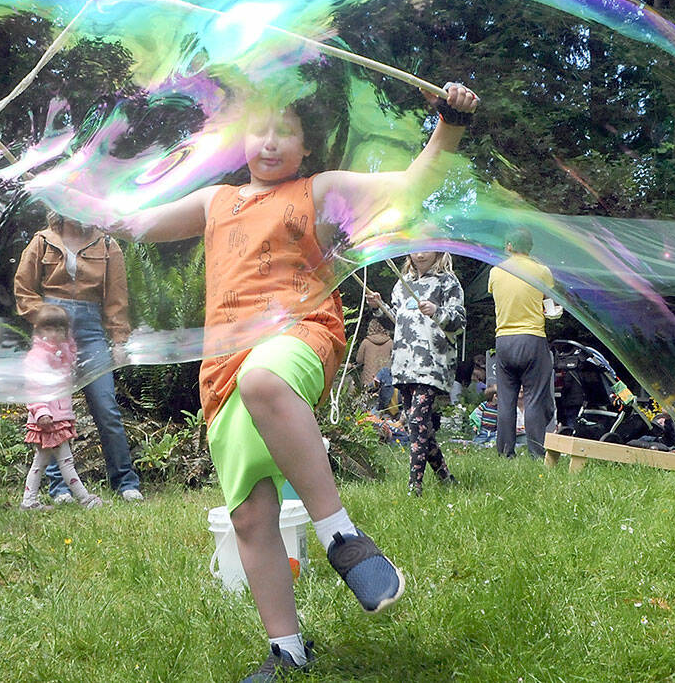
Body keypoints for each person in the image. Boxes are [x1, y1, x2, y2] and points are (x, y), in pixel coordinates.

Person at [53, 80, 479, 680]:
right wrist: (71, 186)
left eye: (286, 129)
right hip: (222, 365)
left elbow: (414, 184)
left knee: (265, 382)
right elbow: (133, 223)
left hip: (300, 335)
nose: (271, 141)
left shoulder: (320, 191)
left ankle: (342, 538)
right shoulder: (214, 201)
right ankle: (288, 650)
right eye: (259, 129)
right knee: (251, 517)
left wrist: (450, 123)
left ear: (308, 144)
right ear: (240, 141)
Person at [14, 214, 144, 502]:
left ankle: (125, 481)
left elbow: (117, 298)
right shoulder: (42, 240)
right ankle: (59, 488)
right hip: (52, 333)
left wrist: (119, 340)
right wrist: (46, 319)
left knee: (105, 405)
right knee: (53, 408)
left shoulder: (107, 243)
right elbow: (23, 290)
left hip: (91, 330)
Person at [366, 251, 465, 496]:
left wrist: (437, 311)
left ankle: (414, 486)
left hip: (431, 363)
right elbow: (398, 320)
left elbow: (459, 321)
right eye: (416, 249)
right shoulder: (403, 283)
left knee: (418, 420)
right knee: (416, 424)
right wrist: (379, 308)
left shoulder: (447, 282)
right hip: (403, 364)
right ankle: (445, 477)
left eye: (426, 249)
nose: (420, 254)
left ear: (439, 250)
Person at [19, 306, 103, 510]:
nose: (55, 334)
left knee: (40, 462)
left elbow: (71, 360)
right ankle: (85, 498)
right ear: (39, 330)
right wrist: (40, 411)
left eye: (60, 329)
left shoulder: (59, 353)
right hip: (48, 419)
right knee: (65, 461)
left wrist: (69, 341)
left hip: (57, 417)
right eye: (50, 329)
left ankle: (29, 502)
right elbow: (33, 388)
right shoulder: (38, 356)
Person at [488, 227, 555, 458]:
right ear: (530, 247)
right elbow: (549, 303)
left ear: (508, 246)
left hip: (504, 340)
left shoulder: (496, 271)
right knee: (534, 398)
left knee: (506, 400)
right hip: (532, 339)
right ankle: (537, 453)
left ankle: (505, 453)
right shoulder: (542, 271)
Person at [354, 317, 394, 412]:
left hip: (369, 381)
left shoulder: (366, 342)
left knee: (368, 407)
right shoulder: (390, 342)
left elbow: (359, 360)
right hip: (386, 382)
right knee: (387, 408)